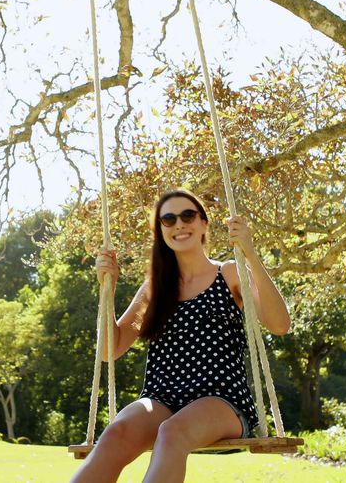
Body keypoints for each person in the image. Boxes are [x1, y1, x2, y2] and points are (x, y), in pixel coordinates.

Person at [70, 189, 291, 483]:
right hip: (162, 398)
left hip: (220, 399)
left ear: (203, 224)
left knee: (172, 431)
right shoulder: (155, 288)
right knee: (115, 433)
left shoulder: (229, 273)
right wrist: (107, 290)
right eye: (168, 219)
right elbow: (110, 350)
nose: (179, 224)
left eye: (187, 215)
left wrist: (249, 253)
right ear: (161, 230)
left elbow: (280, 324)